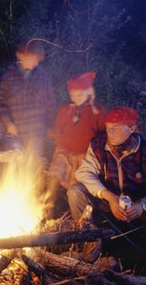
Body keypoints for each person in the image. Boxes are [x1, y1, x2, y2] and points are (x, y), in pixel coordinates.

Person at [67, 106, 146, 279]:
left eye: (116, 128)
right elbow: (84, 172)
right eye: (108, 127)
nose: (110, 132)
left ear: (132, 128)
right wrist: (108, 196)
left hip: (142, 207)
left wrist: (142, 205)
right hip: (110, 202)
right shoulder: (98, 145)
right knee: (76, 192)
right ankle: (91, 247)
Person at [44, 71, 106, 217]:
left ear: (88, 93)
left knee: (77, 184)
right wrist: (61, 141)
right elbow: (58, 130)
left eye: (79, 95)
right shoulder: (66, 110)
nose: (75, 98)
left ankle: (78, 214)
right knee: (54, 175)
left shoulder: (97, 111)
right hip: (65, 151)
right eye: (72, 95)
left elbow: (103, 135)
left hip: (86, 154)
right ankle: (48, 208)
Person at [0, 38, 57, 162]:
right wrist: (8, 123)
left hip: (36, 133)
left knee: (31, 167)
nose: (36, 63)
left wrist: (51, 125)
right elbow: (0, 103)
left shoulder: (41, 76)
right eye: (33, 58)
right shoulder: (9, 75)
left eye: (38, 60)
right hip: (15, 133)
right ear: (20, 55)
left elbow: (50, 102)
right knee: (14, 167)